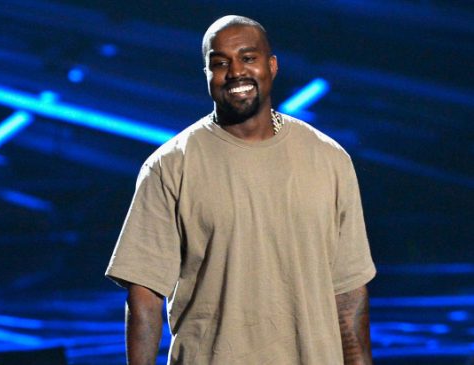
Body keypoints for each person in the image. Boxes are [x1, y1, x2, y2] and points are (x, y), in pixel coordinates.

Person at [106, 15, 376, 365]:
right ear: (207, 75)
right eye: (220, 63)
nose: (235, 72)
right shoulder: (169, 166)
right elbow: (144, 295)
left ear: (272, 65)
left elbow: (350, 293)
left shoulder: (329, 158)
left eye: (248, 58)